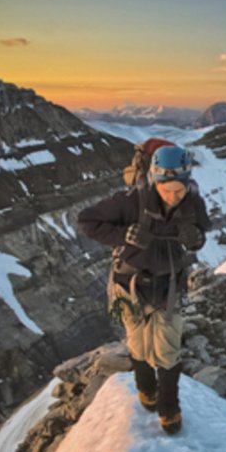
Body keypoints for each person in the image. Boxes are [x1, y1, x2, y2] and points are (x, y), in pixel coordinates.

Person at [77, 145, 210, 434]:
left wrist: (195, 239)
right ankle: (145, 391)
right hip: (132, 285)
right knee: (138, 343)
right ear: (154, 181)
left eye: (179, 190)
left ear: (188, 183)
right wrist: (122, 236)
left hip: (169, 286)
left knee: (167, 349)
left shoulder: (193, 204)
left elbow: (201, 234)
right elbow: (86, 220)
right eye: (167, 190)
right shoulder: (131, 202)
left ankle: (169, 408)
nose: (173, 197)